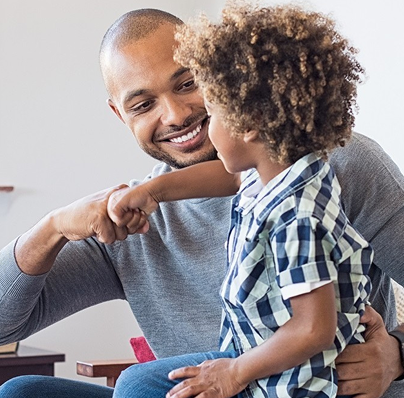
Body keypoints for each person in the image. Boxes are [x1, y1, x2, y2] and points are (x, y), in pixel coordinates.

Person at [0, 6, 404, 398]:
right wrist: (52, 227)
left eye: (187, 84)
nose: (175, 115)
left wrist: (398, 354)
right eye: (143, 103)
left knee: (141, 386)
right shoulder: (136, 216)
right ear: (120, 116)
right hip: (209, 389)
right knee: (23, 395)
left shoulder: (333, 167)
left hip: (311, 389)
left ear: (221, 78)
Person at [103, 4, 373, 397]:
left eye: (212, 112)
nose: (192, 122)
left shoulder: (296, 216)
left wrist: (234, 372)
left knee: (138, 383)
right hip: (258, 360)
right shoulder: (276, 173)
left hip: (287, 382)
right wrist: (150, 192)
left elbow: (313, 328)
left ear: (248, 125)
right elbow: (228, 177)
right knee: (35, 390)